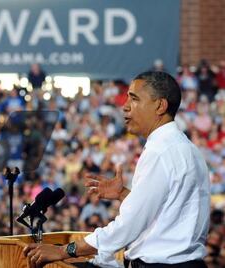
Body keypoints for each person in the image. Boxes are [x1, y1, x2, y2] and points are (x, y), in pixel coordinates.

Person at [24, 71, 210, 268]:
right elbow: (167, 214)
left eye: (134, 99)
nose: (126, 106)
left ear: (160, 106)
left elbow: (127, 226)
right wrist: (123, 194)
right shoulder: (187, 148)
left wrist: (63, 251)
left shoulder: (160, 152)